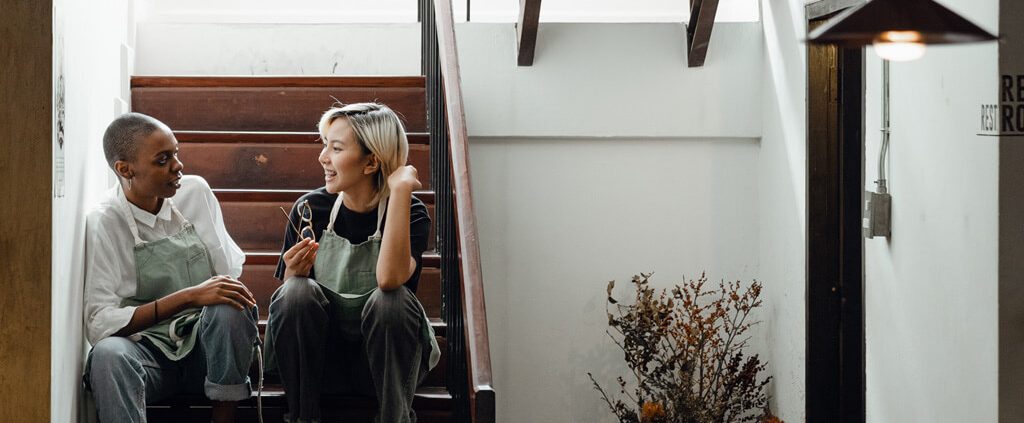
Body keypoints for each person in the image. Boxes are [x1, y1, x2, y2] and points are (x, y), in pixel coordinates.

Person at [266, 103, 438, 423]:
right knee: (295, 293)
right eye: (325, 145)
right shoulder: (310, 209)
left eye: (336, 148)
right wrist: (293, 273)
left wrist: (399, 192)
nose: (323, 157)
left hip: (381, 371)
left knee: (392, 300)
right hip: (319, 368)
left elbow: (390, 280)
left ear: (371, 161)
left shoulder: (410, 212)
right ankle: (303, 418)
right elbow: (291, 307)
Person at [83, 113, 259, 423]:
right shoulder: (106, 221)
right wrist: (188, 297)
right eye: (163, 160)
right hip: (150, 360)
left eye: (176, 153)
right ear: (125, 169)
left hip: (208, 354)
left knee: (231, 303)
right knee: (108, 354)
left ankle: (224, 416)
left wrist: (206, 303)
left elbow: (227, 274)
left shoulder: (195, 193)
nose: (177, 166)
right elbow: (99, 323)